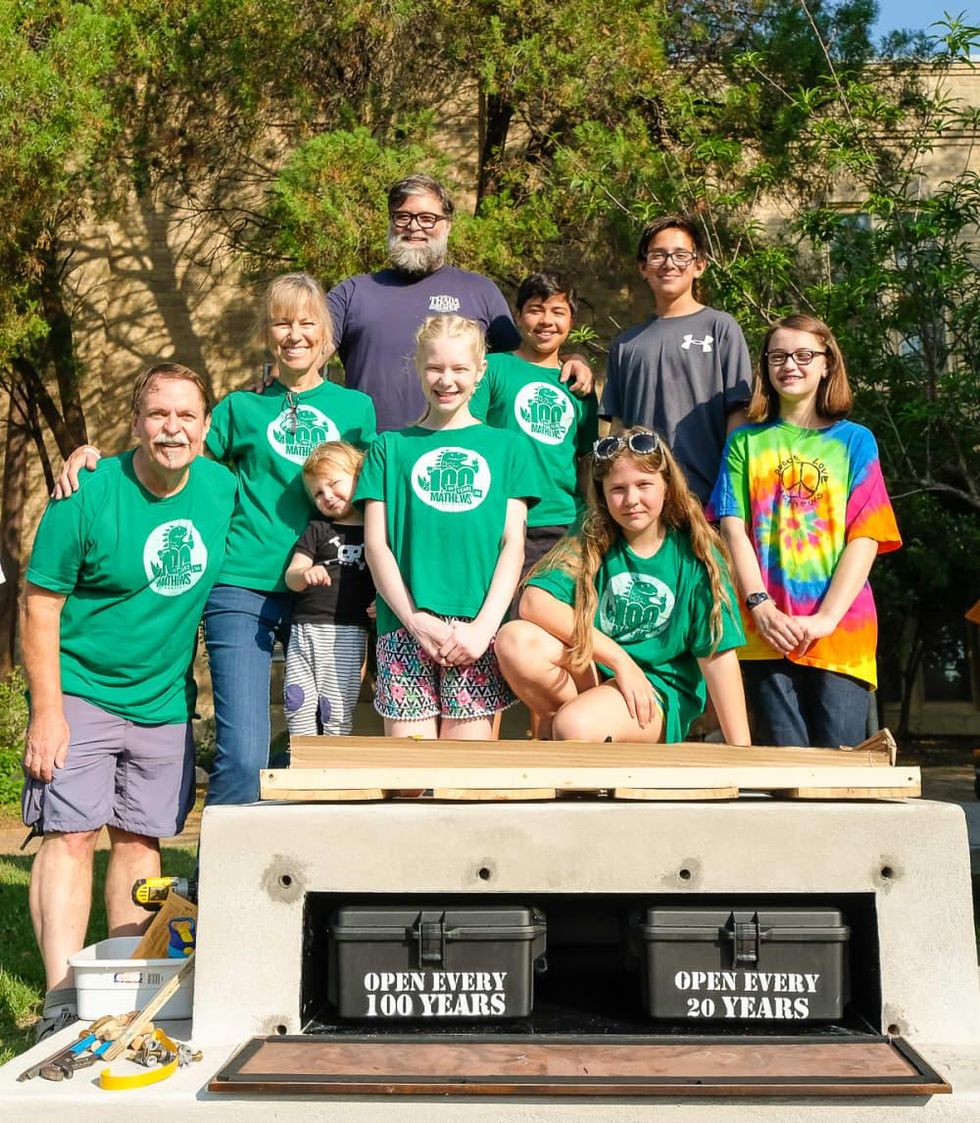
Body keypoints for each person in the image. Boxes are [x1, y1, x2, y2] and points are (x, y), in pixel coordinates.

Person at [52, 273, 377, 806]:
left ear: (327, 334)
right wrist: (97, 461)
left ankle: (308, 873)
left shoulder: (356, 409)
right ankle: (218, 881)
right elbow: (172, 463)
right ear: (266, 335)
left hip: (329, 592)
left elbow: (375, 497)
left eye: (306, 322)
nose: (294, 334)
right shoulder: (237, 410)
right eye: (280, 322)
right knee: (246, 753)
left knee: (325, 742)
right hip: (243, 586)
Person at [20, 363, 236, 1038]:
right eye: (158, 414)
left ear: (206, 425)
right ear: (136, 422)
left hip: (164, 699)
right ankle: (61, 998)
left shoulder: (223, 488)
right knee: (72, 834)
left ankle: (119, 984)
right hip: (81, 687)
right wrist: (47, 709)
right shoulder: (85, 491)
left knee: (141, 842)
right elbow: (38, 603)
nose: (173, 428)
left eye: (186, 415)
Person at [708, 313, 901, 748]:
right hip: (765, 633)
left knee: (840, 775)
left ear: (827, 363)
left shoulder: (856, 441)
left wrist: (826, 618)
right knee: (785, 775)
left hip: (840, 633)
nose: (789, 365)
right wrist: (759, 606)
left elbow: (865, 535)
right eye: (778, 356)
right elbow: (732, 528)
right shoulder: (745, 442)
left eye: (803, 355)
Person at [495, 427, 750, 745]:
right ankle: (574, 730)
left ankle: (576, 731)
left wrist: (741, 750)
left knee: (574, 726)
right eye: (617, 489)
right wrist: (620, 661)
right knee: (514, 640)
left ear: (667, 487)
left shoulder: (695, 551)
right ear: (602, 493)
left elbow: (717, 655)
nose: (631, 500)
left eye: (644, 485)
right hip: (602, 672)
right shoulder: (592, 532)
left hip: (658, 688)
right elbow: (534, 602)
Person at [355, 314, 539, 739]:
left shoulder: (508, 447)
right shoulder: (388, 448)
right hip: (404, 629)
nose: (446, 380)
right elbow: (377, 546)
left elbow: (513, 544)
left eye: (459, 369)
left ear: (480, 372)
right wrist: (416, 620)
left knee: (465, 783)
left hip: (474, 633)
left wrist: (483, 629)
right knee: (409, 784)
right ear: (419, 368)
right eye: (435, 367)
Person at [326, 174, 595, 431]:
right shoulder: (352, 293)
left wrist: (572, 359)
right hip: (370, 458)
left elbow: (526, 361)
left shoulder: (480, 291)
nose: (413, 226)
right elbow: (305, 352)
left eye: (427, 218)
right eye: (402, 216)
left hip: (453, 458)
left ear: (448, 225)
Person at [599, 214, 753, 504]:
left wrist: (731, 490)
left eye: (681, 255)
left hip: (707, 500)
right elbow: (618, 427)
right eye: (658, 255)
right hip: (644, 504)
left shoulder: (720, 327)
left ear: (699, 265)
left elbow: (739, 413)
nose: (669, 263)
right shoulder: (625, 344)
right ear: (643, 267)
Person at [470, 270, 598, 582]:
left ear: (571, 321)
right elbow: (470, 438)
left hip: (563, 521)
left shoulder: (578, 384)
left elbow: (586, 461)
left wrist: (594, 518)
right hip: (499, 518)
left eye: (558, 312)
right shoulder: (491, 368)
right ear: (517, 315)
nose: (546, 321)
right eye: (535, 310)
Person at [283, 441, 375, 737]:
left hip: (348, 631)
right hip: (305, 628)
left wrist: (381, 603)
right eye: (318, 493)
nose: (328, 496)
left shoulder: (376, 530)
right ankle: (302, 768)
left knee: (334, 707)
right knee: (296, 701)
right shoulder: (318, 529)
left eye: (335, 484)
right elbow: (292, 576)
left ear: (358, 476)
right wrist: (304, 573)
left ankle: (331, 772)